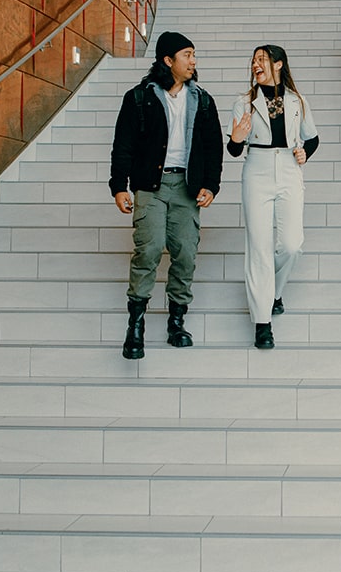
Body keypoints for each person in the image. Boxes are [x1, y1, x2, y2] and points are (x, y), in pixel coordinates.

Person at [109, 32, 224, 359]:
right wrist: (119, 185)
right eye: (187, 54)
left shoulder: (202, 99)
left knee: (186, 252)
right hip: (151, 187)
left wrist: (211, 184)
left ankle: (177, 320)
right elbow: (123, 145)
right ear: (167, 60)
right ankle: (136, 324)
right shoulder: (139, 98)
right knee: (147, 251)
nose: (194, 61)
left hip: (186, 189)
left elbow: (213, 147)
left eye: (194, 54)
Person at [227, 44, 319, 349]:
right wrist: (236, 139)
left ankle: (275, 292)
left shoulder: (298, 101)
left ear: (278, 64)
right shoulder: (244, 102)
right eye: (253, 60)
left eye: (262, 59)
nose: (256, 64)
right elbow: (235, 148)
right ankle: (262, 321)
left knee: (292, 244)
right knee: (259, 247)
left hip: (290, 169)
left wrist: (305, 151)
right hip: (257, 169)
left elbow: (313, 137)